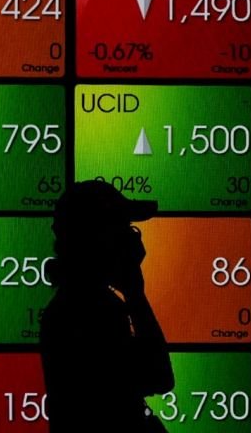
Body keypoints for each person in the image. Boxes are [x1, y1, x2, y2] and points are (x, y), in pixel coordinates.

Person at [40, 180, 174, 432]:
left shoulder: (77, 305)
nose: (133, 239)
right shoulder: (89, 312)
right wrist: (135, 293)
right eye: (124, 229)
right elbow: (159, 376)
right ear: (97, 238)